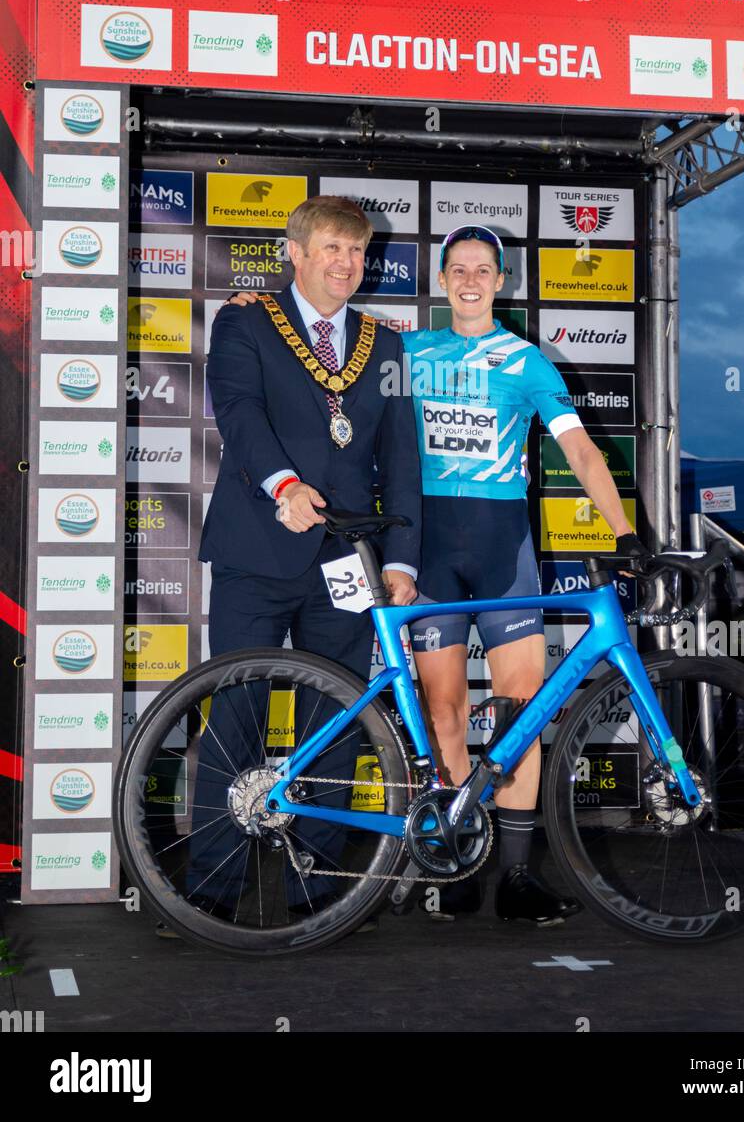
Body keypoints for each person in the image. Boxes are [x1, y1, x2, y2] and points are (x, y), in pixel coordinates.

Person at [229, 221, 647, 927]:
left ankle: (516, 875)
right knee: (444, 714)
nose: (471, 280)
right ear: (443, 279)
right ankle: (456, 859)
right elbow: (313, 360)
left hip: (503, 548)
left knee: (521, 714)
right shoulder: (404, 350)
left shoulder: (527, 362)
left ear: (501, 280)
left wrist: (625, 531)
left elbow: (579, 454)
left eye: (484, 269)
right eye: (458, 268)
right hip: (426, 553)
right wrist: (257, 303)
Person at [184, 195, 420, 927]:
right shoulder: (243, 320)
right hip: (258, 548)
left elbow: (401, 457)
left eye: (356, 251)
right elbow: (239, 414)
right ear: (295, 251)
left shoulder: (387, 345)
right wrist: (283, 485)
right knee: (238, 715)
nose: (345, 264)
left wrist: (404, 557)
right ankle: (209, 884)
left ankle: (324, 886)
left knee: (341, 720)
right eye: (330, 248)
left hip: (347, 561)